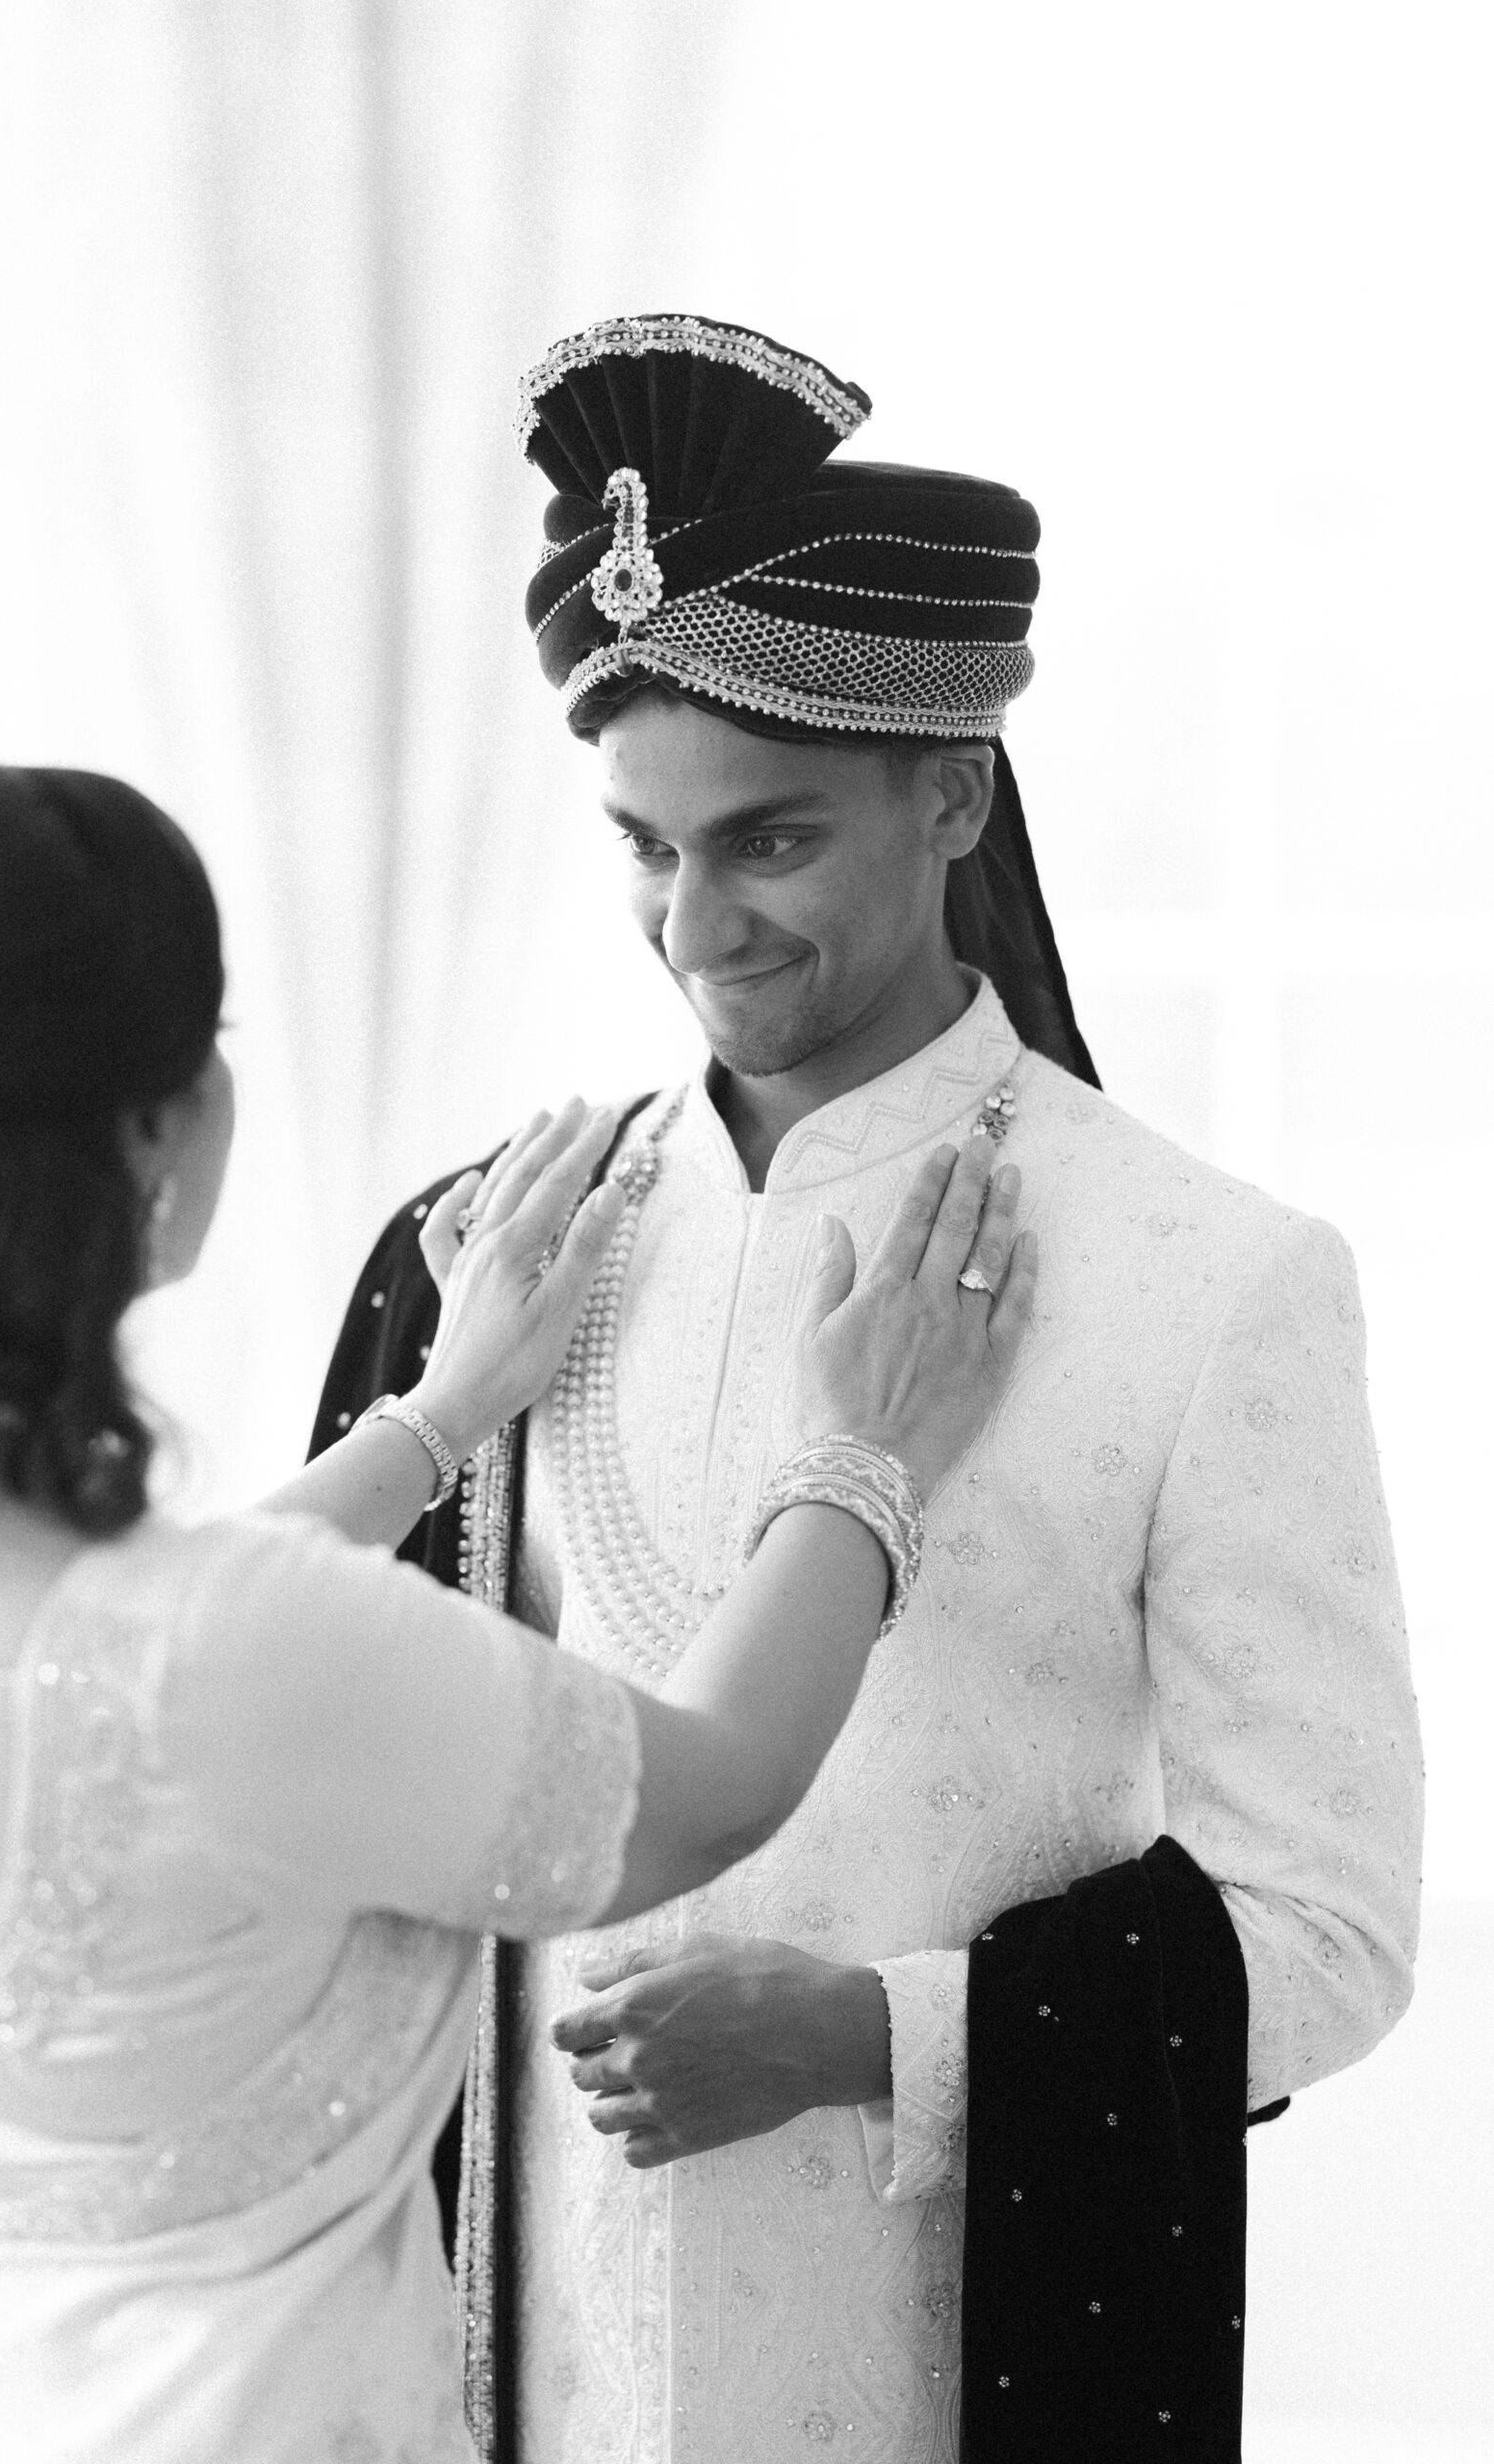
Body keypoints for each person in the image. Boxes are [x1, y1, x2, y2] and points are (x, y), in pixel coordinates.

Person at [313, 316, 1425, 2463]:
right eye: (643, 844)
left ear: (952, 790)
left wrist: (875, 2036)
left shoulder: (1209, 1282)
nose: (695, 924)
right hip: (483, 2388)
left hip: (938, 2372)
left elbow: (1329, 1928)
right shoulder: (489, 1260)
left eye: (768, 840)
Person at [0, 751, 1038, 2464]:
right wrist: (863, 1457)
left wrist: (434, 1420)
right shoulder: (229, 1653)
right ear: (150, 1132)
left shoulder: (123, 1636)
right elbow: (710, 1789)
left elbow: (132, 1645)